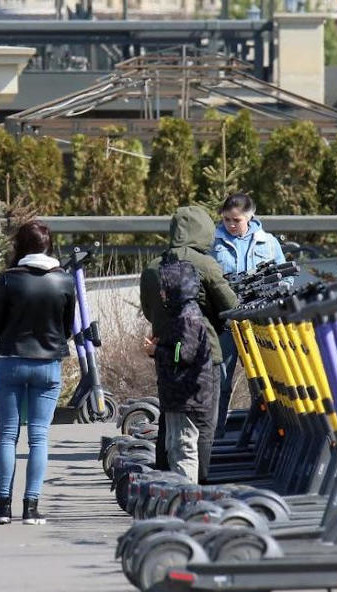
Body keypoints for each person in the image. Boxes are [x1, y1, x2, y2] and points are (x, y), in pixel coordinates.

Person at [140, 205, 237, 483]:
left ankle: (163, 480)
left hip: (165, 352)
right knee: (204, 425)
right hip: (205, 355)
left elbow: (149, 310)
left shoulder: (152, 268)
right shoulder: (205, 264)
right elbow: (230, 306)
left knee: (170, 420)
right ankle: (200, 484)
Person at [0, 220, 75, 526]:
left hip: (11, 359)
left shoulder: (10, 279)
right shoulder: (64, 280)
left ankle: (2, 506)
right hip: (48, 364)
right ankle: (31, 507)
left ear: (20, 245)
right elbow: (68, 328)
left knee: (8, 435)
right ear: (49, 246)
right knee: (39, 437)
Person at [210, 193, 287, 438]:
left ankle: (266, 433)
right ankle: (214, 434)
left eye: (236, 220)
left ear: (250, 216)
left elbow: (286, 276)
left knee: (264, 380)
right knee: (220, 380)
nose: (231, 225)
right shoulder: (213, 242)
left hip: (258, 323)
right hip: (227, 323)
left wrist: (275, 289)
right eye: (227, 220)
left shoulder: (269, 242)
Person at [143, 255, 216, 483]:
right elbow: (178, 347)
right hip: (178, 395)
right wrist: (162, 344)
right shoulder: (183, 315)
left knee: (183, 447)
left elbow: (183, 354)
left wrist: (157, 351)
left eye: (165, 289)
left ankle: (187, 498)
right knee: (174, 445)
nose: (162, 294)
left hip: (186, 397)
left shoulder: (188, 318)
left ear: (176, 289)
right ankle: (180, 493)